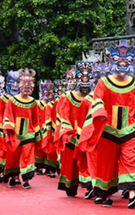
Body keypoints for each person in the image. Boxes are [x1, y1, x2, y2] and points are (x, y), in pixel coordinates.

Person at [79, 40, 135, 209]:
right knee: (107, 165)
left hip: (129, 130)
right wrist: (100, 115)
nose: (123, 63)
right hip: (108, 131)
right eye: (119, 59)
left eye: (127, 60)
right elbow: (97, 102)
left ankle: (132, 195)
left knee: (132, 161)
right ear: (112, 61)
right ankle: (107, 195)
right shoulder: (103, 83)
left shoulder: (134, 84)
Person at [55, 57, 96, 198]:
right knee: (70, 166)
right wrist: (68, 133)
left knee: (88, 162)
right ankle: (71, 186)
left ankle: (89, 186)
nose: (85, 80)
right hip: (72, 136)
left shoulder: (93, 98)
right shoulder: (68, 97)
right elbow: (64, 116)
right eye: (81, 77)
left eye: (88, 78)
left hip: (87, 137)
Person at [2, 68, 41, 189]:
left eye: (29, 84)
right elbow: (8, 115)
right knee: (13, 156)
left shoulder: (34, 102)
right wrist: (9, 128)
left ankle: (26, 179)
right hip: (15, 133)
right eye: (24, 83)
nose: (27, 86)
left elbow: (36, 119)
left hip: (28, 133)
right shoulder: (12, 101)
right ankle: (13, 176)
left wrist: (37, 132)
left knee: (27, 156)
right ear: (19, 84)